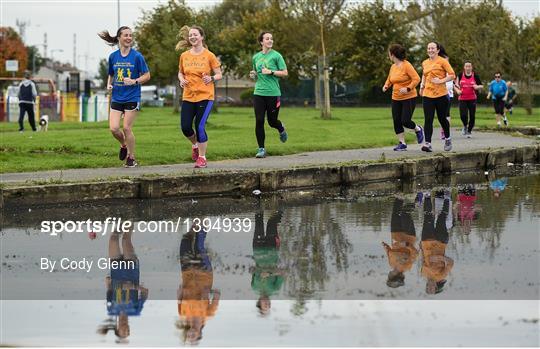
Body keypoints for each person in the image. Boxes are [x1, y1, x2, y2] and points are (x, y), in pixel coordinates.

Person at [99, 26, 150, 168]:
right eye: (126, 35)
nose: (129, 38)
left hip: (132, 96)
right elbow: (111, 74)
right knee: (114, 129)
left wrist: (135, 81)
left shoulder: (137, 56)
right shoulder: (113, 56)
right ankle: (123, 145)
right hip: (117, 96)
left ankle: (131, 158)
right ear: (119, 38)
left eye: (130, 36)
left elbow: (147, 75)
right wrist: (108, 84)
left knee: (126, 128)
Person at [176, 25, 222, 168]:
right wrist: (181, 79)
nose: (193, 37)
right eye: (190, 35)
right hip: (188, 96)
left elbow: (219, 74)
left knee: (200, 126)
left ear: (201, 37)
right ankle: (195, 145)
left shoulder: (209, 55)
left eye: (195, 35)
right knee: (185, 127)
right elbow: (180, 72)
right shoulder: (184, 56)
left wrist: (212, 78)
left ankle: (202, 157)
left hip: (205, 96)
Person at [98, 230, 148, 342]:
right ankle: (130, 218)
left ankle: (119, 219)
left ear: (117, 327)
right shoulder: (136, 310)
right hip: (131, 270)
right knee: (126, 240)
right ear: (129, 328)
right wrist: (133, 287)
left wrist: (109, 282)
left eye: (122, 331)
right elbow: (145, 292)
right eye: (127, 331)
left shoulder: (111, 310)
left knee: (113, 238)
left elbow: (110, 290)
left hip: (116, 270)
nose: (125, 328)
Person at [177, 229, 220, 345]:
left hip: (187, 274)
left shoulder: (183, 315)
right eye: (193, 337)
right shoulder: (208, 314)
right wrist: (208, 292)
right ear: (199, 334)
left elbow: (179, 298)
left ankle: (193, 226)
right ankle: (202, 223)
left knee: (184, 243)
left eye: (189, 336)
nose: (190, 335)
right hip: (204, 274)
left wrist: (180, 291)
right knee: (198, 247)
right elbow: (217, 294)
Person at [249, 31, 288, 158]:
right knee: (259, 120)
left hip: (273, 93)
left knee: (272, 122)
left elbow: (285, 73)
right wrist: (253, 75)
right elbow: (256, 73)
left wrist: (271, 72)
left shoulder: (277, 56)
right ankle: (261, 149)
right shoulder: (256, 57)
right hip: (259, 92)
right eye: (267, 38)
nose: (270, 40)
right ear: (261, 42)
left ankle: (281, 128)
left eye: (271, 38)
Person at [382, 44, 424, 151]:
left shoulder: (407, 65)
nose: (389, 56)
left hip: (409, 97)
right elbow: (390, 79)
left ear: (392, 54)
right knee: (396, 120)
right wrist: (386, 85)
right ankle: (402, 143)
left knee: (405, 120)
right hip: (395, 98)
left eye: (389, 54)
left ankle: (418, 129)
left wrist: (408, 88)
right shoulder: (393, 67)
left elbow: (416, 79)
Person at [419, 42, 456, 152]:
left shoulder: (442, 61)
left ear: (438, 50)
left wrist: (441, 81)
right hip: (427, 95)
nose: (430, 50)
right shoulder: (425, 62)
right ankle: (428, 143)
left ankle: (448, 138)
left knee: (442, 119)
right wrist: (422, 86)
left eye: (433, 48)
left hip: (441, 95)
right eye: (429, 48)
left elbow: (452, 75)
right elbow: (425, 75)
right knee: (428, 119)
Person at [251, 208, 285, 315]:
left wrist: (256, 271)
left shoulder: (254, 287)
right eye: (268, 305)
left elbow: (253, 270)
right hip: (272, 251)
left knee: (259, 220)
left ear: (259, 303)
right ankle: (281, 202)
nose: (267, 303)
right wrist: (270, 273)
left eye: (265, 305)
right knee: (271, 222)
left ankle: (257, 197)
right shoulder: (275, 289)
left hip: (258, 250)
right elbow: (282, 273)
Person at [420, 192, 454, 294]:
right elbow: (451, 263)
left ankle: (427, 195)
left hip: (426, 242)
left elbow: (423, 260)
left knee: (427, 217)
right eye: (431, 289)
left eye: (427, 289)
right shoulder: (441, 276)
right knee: (441, 218)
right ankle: (447, 197)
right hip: (440, 242)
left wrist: (421, 248)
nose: (429, 287)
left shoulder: (423, 273)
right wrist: (440, 258)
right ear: (435, 286)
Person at [382, 198, 418, 288]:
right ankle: (416, 198)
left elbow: (389, 253)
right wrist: (406, 245)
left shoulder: (391, 264)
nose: (388, 275)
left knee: (395, 212)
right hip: (408, 236)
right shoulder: (407, 266)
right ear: (394, 277)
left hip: (395, 234)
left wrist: (386, 247)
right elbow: (415, 253)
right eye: (389, 277)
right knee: (405, 213)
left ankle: (400, 195)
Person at [454, 62, 483, 137]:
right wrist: (457, 91)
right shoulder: (460, 75)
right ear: (464, 67)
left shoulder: (475, 75)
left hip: (472, 99)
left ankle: (469, 131)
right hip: (462, 98)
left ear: (471, 67)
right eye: (466, 66)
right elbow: (455, 85)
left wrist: (477, 87)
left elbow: (481, 85)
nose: (468, 68)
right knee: (463, 115)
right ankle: (465, 126)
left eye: (469, 66)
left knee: (472, 116)